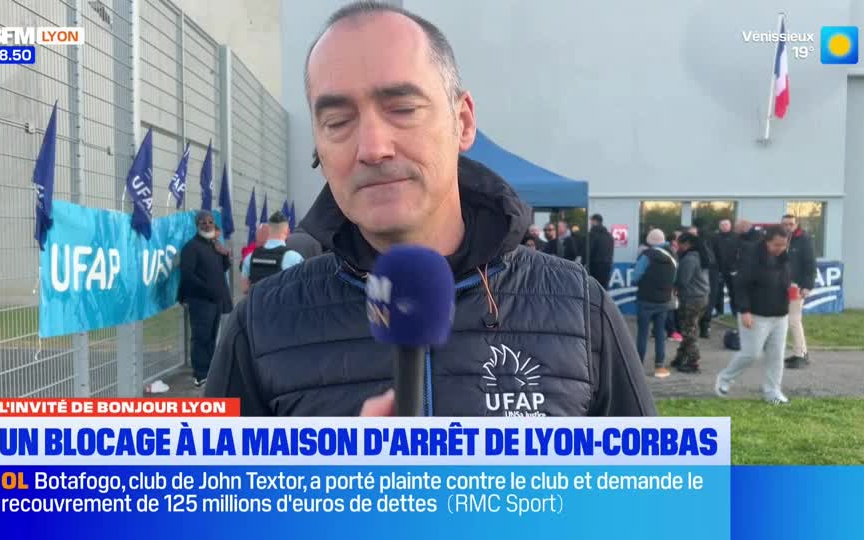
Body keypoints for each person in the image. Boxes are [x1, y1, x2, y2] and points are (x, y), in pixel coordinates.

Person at [205, 1, 655, 417]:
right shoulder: (263, 323)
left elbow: (656, 499)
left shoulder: (580, 309)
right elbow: (205, 502)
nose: (373, 148)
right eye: (338, 121)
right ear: (319, 145)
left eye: (402, 109)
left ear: (462, 121)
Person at [715, 225, 791, 405]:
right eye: (776, 245)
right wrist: (744, 310)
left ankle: (773, 391)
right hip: (756, 314)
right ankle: (725, 378)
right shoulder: (751, 258)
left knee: (776, 355)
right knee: (751, 353)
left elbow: (785, 281)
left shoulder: (785, 258)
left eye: (783, 245)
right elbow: (740, 286)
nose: (779, 249)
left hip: (780, 315)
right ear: (767, 241)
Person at [178, 210, 233, 387]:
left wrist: (224, 255)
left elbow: (222, 269)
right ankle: (200, 374)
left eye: (210, 222)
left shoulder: (214, 245)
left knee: (211, 337)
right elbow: (188, 275)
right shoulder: (191, 247)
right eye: (203, 223)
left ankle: (209, 370)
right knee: (200, 338)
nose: (208, 225)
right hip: (201, 301)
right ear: (197, 225)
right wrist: (208, 290)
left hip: (216, 301)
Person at [632, 229, 677, 379]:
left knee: (643, 334)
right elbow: (675, 278)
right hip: (664, 301)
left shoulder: (646, 256)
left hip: (645, 300)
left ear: (649, 241)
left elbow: (636, 276)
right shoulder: (672, 256)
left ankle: (637, 368)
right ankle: (659, 367)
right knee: (659, 334)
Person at [671, 232, 710, 373]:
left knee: (689, 331)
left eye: (679, 243)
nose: (677, 246)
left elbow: (683, 281)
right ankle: (681, 357)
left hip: (691, 298)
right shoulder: (700, 256)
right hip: (702, 297)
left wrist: (674, 286)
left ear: (686, 244)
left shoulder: (689, 259)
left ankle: (693, 361)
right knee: (690, 328)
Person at [781, 214, 815, 369]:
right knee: (792, 319)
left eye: (790, 224)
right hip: (785, 284)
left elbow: (810, 264)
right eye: (785, 224)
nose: (788, 226)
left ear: (796, 224)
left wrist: (807, 286)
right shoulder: (783, 239)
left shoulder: (804, 239)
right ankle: (802, 352)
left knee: (794, 320)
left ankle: (800, 355)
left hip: (797, 285)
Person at [241, 211, 304, 290]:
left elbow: (245, 289)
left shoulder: (250, 257)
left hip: (257, 301)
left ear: (268, 230)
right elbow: (301, 288)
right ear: (288, 232)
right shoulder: (295, 258)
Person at [712, 219, 740, 315]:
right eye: (722, 225)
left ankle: (735, 311)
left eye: (726, 224)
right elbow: (713, 252)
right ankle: (719, 311)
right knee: (718, 292)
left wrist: (736, 266)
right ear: (719, 226)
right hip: (719, 269)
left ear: (730, 225)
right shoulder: (715, 238)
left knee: (734, 292)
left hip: (733, 270)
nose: (724, 226)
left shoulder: (736, 237)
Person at [587, 214, 614, 289]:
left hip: (594, 268)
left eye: (591, 221)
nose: (590, 223)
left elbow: (588, 251)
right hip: (606, 267)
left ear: (595, 221)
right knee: (603, 290)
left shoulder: (592, 235)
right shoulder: (609, 236)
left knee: (593, 290)